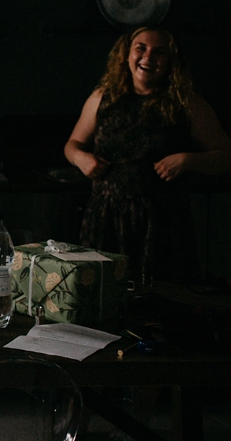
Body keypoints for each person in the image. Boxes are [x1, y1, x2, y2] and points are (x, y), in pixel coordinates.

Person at [64, 26, 231, 285]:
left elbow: (225, 157)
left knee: (161, 303)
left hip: (163, 223)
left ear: (171, 61)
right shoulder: (103, 97)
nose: (148, 57)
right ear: (126, 54)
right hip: (105, 218)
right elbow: (72, 145)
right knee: (100, 298)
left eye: (159, 52)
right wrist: (81, 158)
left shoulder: (186, 103)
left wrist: (187, 160)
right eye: (140, 48)